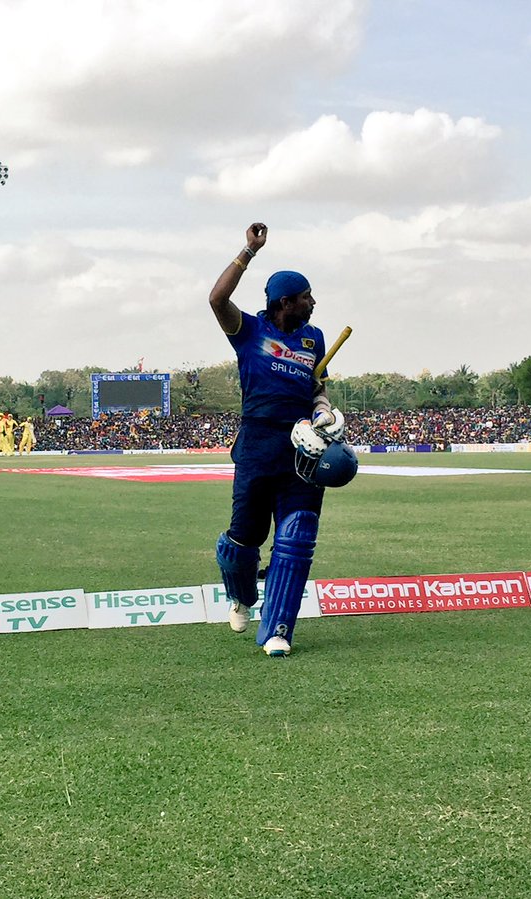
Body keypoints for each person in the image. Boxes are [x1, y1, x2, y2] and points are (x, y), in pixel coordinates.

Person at [209, 222, 342, 657]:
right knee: (243, 541)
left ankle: (277, 630)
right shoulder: (249, 331)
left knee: (297, 536)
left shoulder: (314, 338)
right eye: (306, 296)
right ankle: (241, 596)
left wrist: (323, 412)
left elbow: (316, 387)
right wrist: (248, 251)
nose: (313, 302)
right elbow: (216, 299)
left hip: (303, 451)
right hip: (257, 447)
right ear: (286, 302)